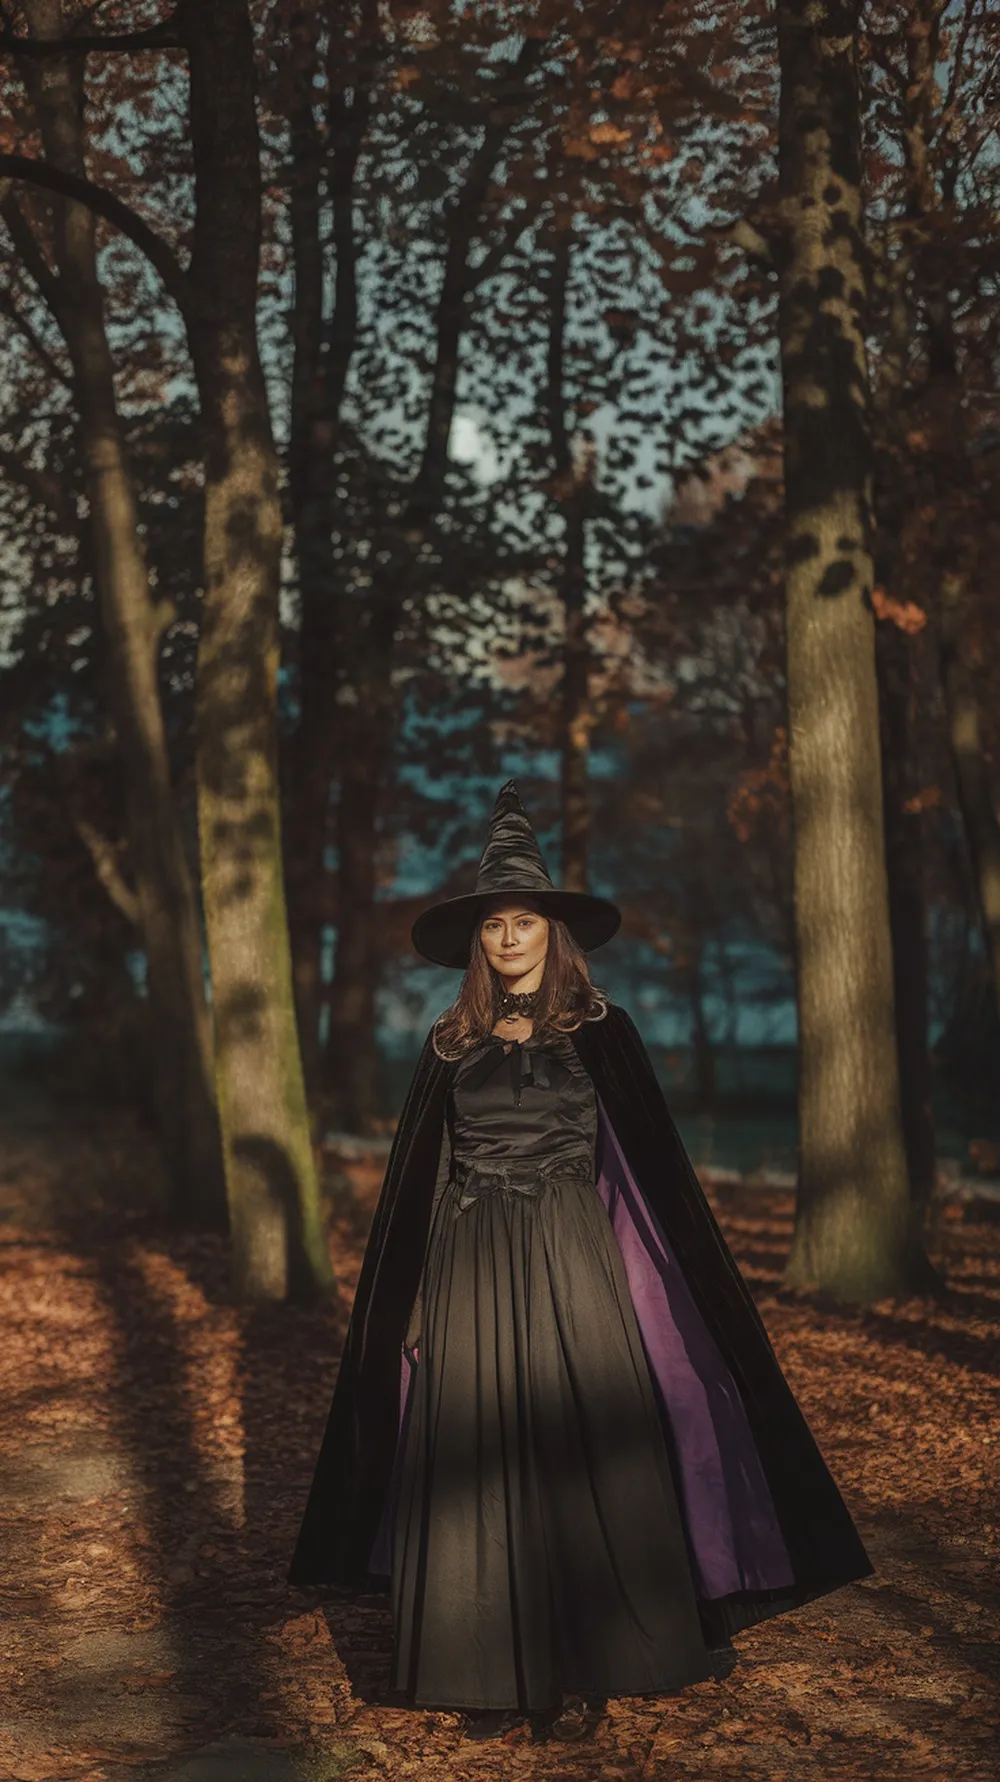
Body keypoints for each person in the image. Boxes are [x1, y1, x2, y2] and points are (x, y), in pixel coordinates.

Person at [290, 781, 872, 1741]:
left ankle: (599, 1658)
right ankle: (486, 1670)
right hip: (473, 1260)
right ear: (476, 943)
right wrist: (420, 1308)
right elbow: (421, 1187)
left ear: (553, 933)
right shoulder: (448, 1047)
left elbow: (648, 1180)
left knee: (582, 1447)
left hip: (571, 1257)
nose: (508, 938)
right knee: (479, 1459)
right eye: (494, 926)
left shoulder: (600, 1034)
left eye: (524, 922)